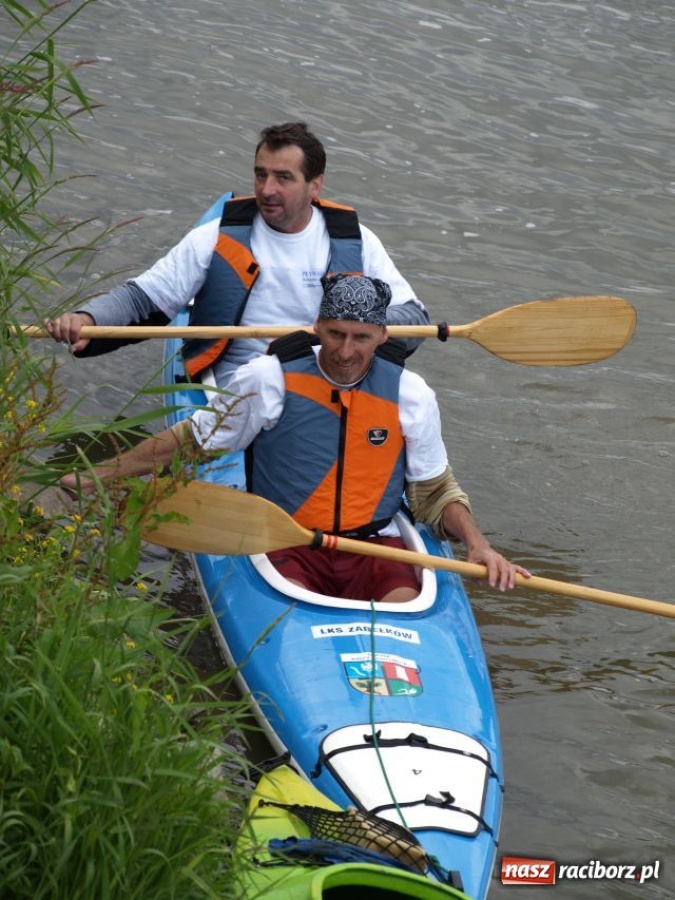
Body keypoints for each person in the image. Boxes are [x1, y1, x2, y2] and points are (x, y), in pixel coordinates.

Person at [61, 274, 530, 603]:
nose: (346, 351)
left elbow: (434, 491)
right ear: (316, 327)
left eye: (361, 337)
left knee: (405, 599)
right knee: (295, 596)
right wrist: (100, 475)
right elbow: (193, 440)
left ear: (382, 335)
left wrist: (478, 544)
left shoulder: (412, 395)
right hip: (283, 541)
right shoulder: (268, 379)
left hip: (373, 547)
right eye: (336, 334)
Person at [45, 121, 430, 386]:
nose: (267, 189)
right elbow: (142, 300)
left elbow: (413, 319)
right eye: (261, 174)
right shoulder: (216, 237)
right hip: (235, 386)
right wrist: (88, 318)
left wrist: (352, 326)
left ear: (315, 186)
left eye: (283, 178)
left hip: (331, 381)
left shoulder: (355, 241)